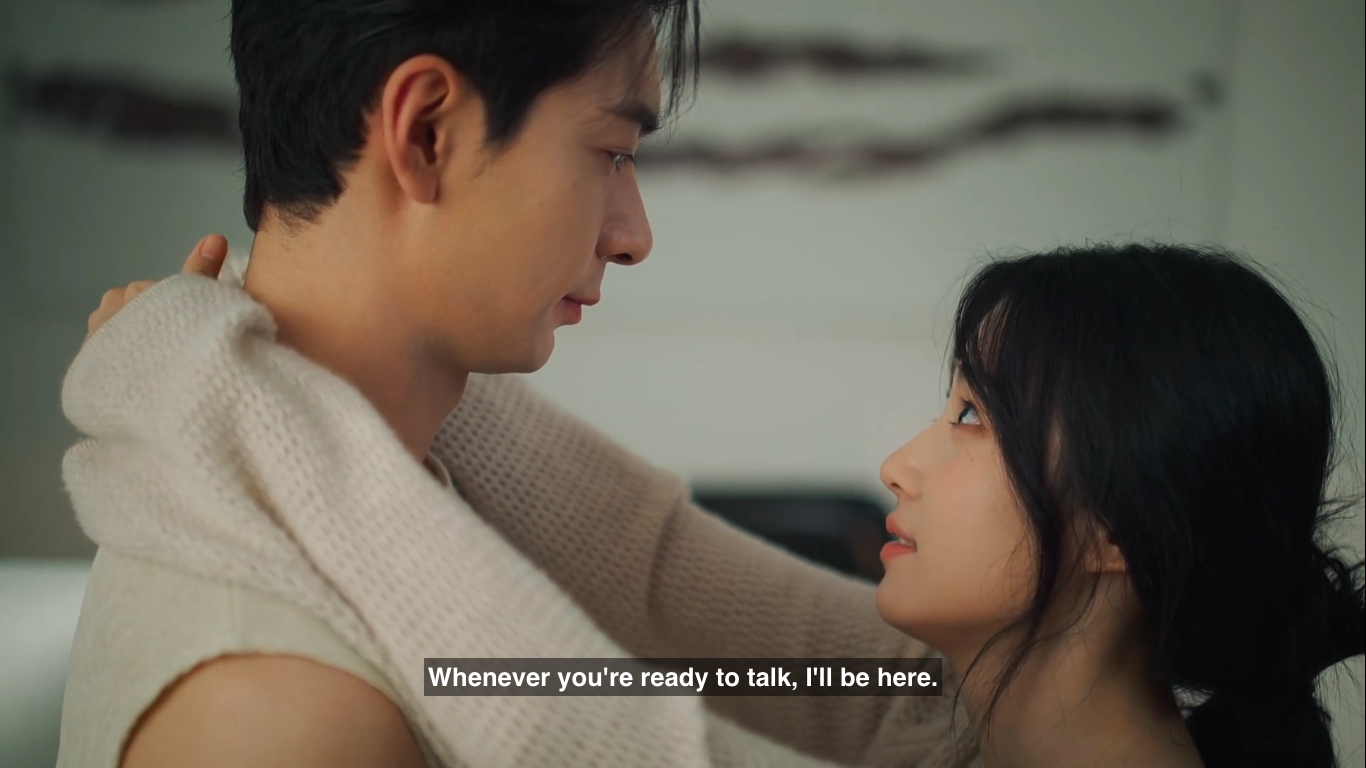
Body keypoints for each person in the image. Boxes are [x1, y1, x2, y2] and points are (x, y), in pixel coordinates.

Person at [55, 1, 964, 767]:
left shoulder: (398, 476)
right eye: (611, 151)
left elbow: (839, 673)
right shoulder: (282, 719)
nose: (634, 235)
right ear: (427, 133)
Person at [85, 242, 1364, 768]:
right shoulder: (950, 712)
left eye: (974, 419)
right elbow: (648, 564)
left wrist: (193, 374)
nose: (902, 462)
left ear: (1115, 531)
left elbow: (567, 713)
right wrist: (307, 332)